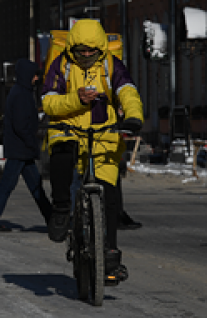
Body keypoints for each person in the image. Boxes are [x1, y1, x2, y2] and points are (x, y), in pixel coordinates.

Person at [41, 19, 143, 283]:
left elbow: (128, 91)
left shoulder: (111, 65)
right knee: (61, 161)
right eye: (81, 50)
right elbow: (48, 102)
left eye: (92, 51)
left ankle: (109, 255)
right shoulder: (61, 65)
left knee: (109, 197)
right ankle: (61, 210)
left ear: (100, 48)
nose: (86, 55)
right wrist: (77, 99)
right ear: (72, 47)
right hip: (68, 130)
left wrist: (133, 117)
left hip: (102, 135)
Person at [0, 58, 53, 232]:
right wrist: (31, 143)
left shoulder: (21, 91)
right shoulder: (21, 94)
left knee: (36, 187)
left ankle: (53, 220)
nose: (36, 79)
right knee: (8, 185)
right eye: (35, 75)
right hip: (20, 149)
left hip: (21, 150)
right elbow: (21, 125)